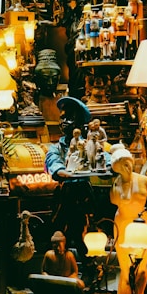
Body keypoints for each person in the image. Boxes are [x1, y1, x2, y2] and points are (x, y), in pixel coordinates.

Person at [45, 96, 95, 258]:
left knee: (84, 234)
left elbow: (104, 158)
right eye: (63, 118)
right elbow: (53, 162)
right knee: (59, 231)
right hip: (65, 194)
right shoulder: (57, 147)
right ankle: (59, 266)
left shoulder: (88, 145)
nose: (65, 122)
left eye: (70, 118)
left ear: (80, 122)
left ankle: (89, 267)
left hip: (83, 195)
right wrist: (61, 171)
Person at [108, 143, 147, 294]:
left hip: (142, 224)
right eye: (122, 165)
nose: (127, 167)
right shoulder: (116, 186)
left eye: (127, 163)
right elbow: (119, 200)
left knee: (142, 265)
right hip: (124, 224)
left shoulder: (145, 181)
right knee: (126, 267)